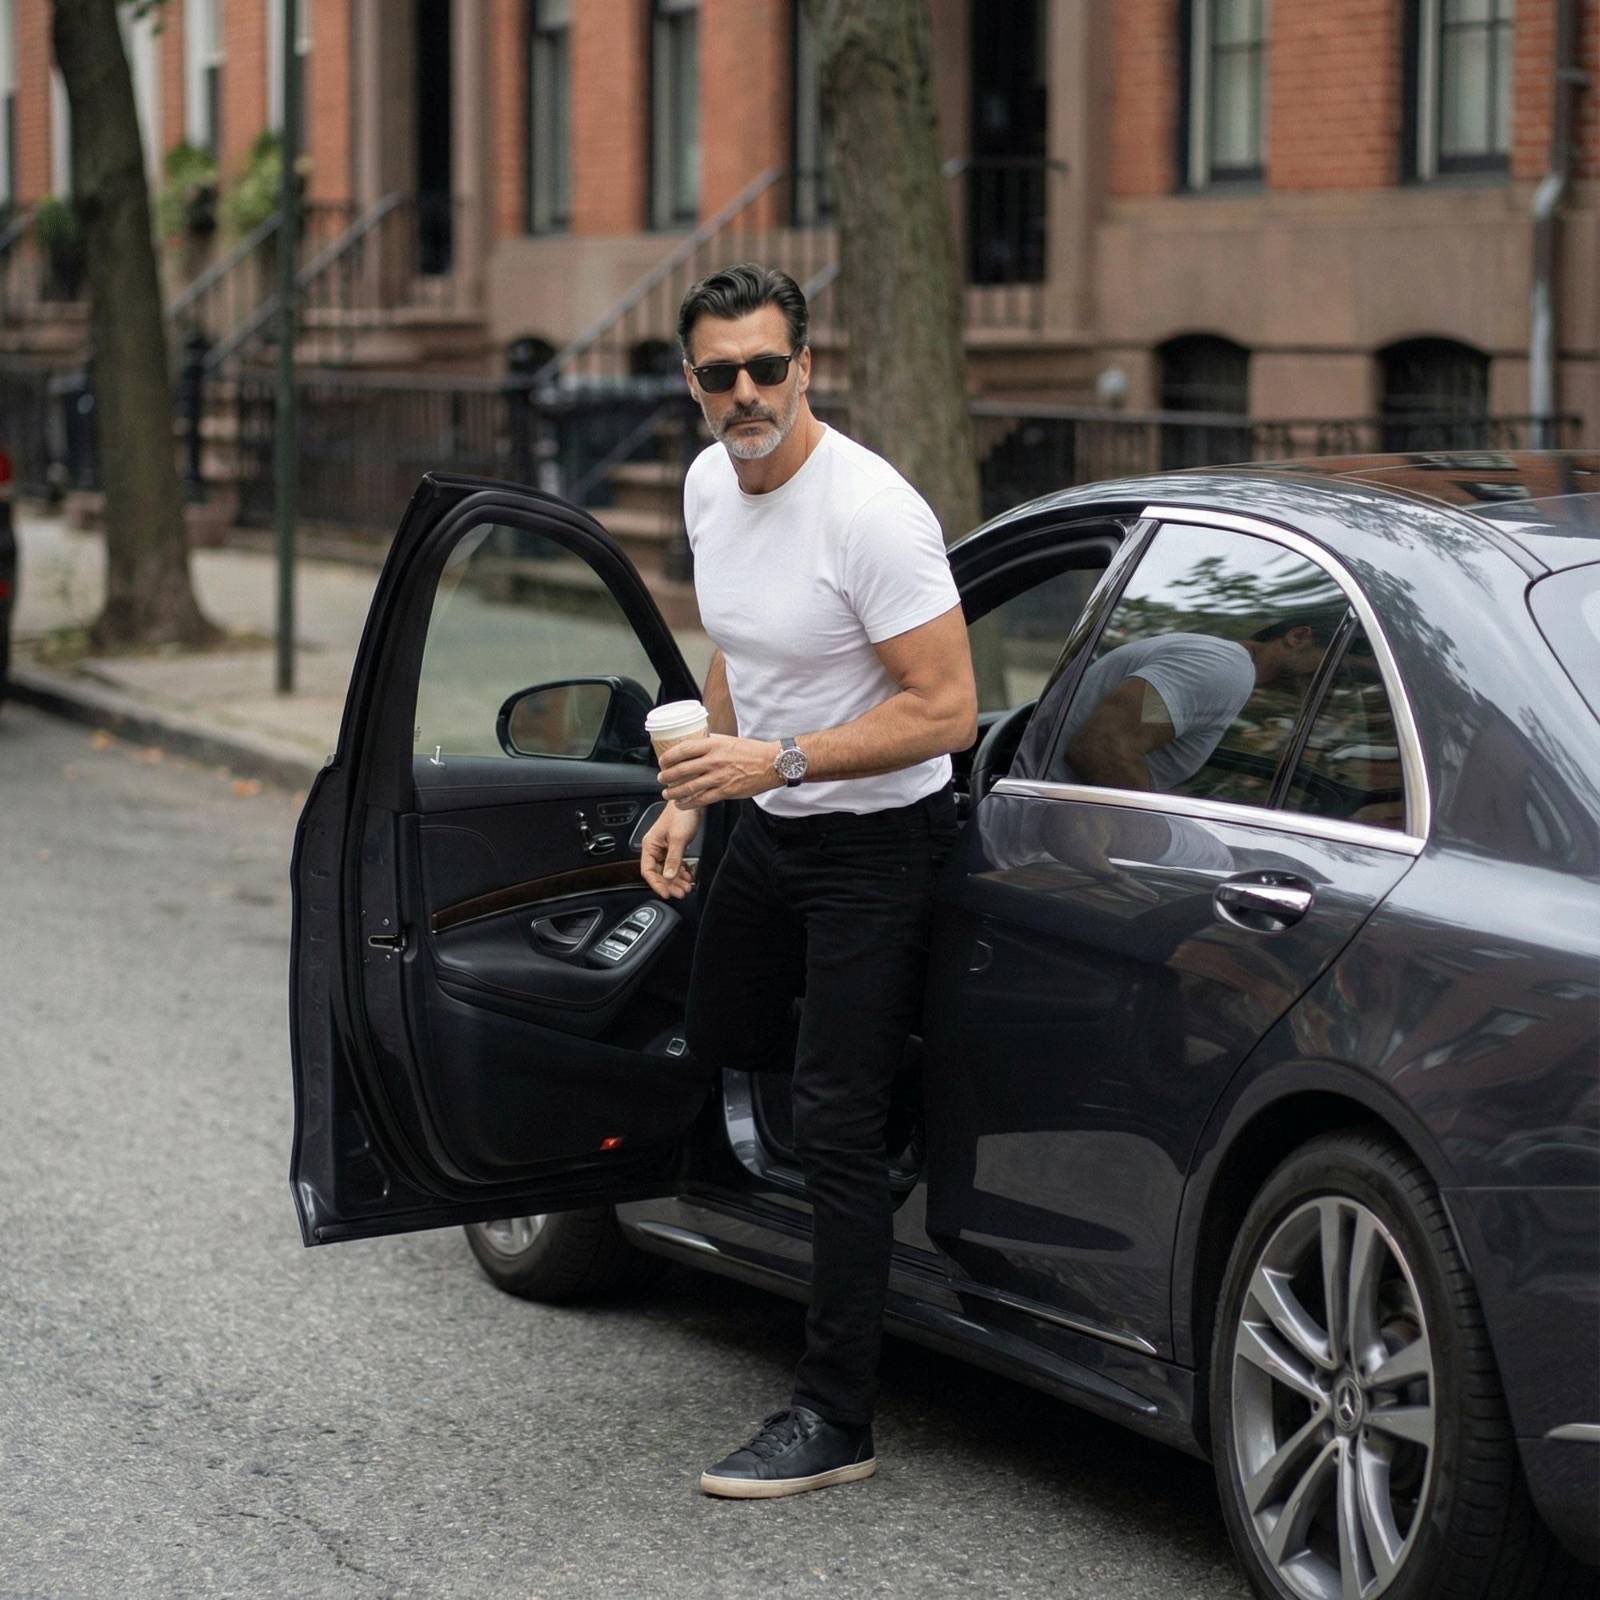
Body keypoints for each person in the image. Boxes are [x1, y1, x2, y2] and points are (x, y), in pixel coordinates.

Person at [636, 263, 977, 1500]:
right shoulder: (706, 486)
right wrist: (692, 789)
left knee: (831, 1120)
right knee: (719, 1029)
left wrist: (772, 760)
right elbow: (738, 647)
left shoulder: (870, 514)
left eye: (766, 367)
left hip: (876, 845)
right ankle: (880, 1100)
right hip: (769, 827)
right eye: (720, 372)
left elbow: (947, 710)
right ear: (692, 382)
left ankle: (836, 1415)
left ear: (806, 367)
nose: (746, 392)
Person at [1054, 617, 1339, 791]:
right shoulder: (1225, 670)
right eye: (1336, 668)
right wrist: (1153, 834)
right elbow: (1101, 747)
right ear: (1298, 637)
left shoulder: (1224, 669)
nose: (1336, 686)